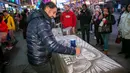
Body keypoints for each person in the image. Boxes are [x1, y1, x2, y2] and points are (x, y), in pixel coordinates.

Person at [26, 2, 80, 73]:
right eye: (53, 12)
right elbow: (52, 46)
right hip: (40, 60)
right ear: (48, 9)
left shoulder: (37, 18)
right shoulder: (41, 21)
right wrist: (74, 51)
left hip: (36, 57)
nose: (54, 16)